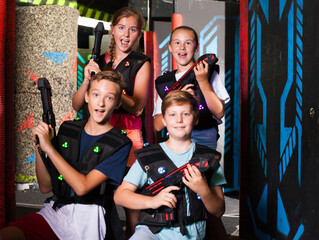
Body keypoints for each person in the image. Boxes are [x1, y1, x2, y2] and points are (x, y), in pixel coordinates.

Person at [0, 71, 132, 240]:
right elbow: (46, 186)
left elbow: (82, 187)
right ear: (86, 96)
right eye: (96, 94)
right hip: (56, 212)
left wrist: (50, 150)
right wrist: (40, 146)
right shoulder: (69, 129)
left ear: (118, 103)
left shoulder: (119, 144)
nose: (101, 103)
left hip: (90, 220)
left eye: (109, 97)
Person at [72, 8, 151, 237]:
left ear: (138, 34)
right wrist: (89, 79)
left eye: (133, 29)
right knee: (95, 195)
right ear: (112, 30)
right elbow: (78, 104)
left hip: (128, 135)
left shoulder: (140, 62)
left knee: (130, 199)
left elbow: (137, 106)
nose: (126, 34)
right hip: (97, 133)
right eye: (122, 27)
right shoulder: (97, 60)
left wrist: (109, 84)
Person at [114, 90, 225, 240]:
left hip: (192, 234)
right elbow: (120, 196)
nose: (179, 120)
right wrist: (152, 201)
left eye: (185, 114)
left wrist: (204, 190)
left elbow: (218, 211)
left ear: (196, 119)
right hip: (153, 232)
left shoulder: (208, 158)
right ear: (164, 120)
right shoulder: (148, 157)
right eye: (172, 115)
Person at [153, 26, 230, 239]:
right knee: (180, 200)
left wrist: (203, 82)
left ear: (196, 47)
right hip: (176, 145)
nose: (182, 47)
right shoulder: (166, 83)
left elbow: (219, 111)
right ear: (169, 47)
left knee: (208, 201)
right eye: (177, 42)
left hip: (204, 144)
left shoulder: (208, 72)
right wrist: (175, 97)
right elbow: (158, 125)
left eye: (188, 43)